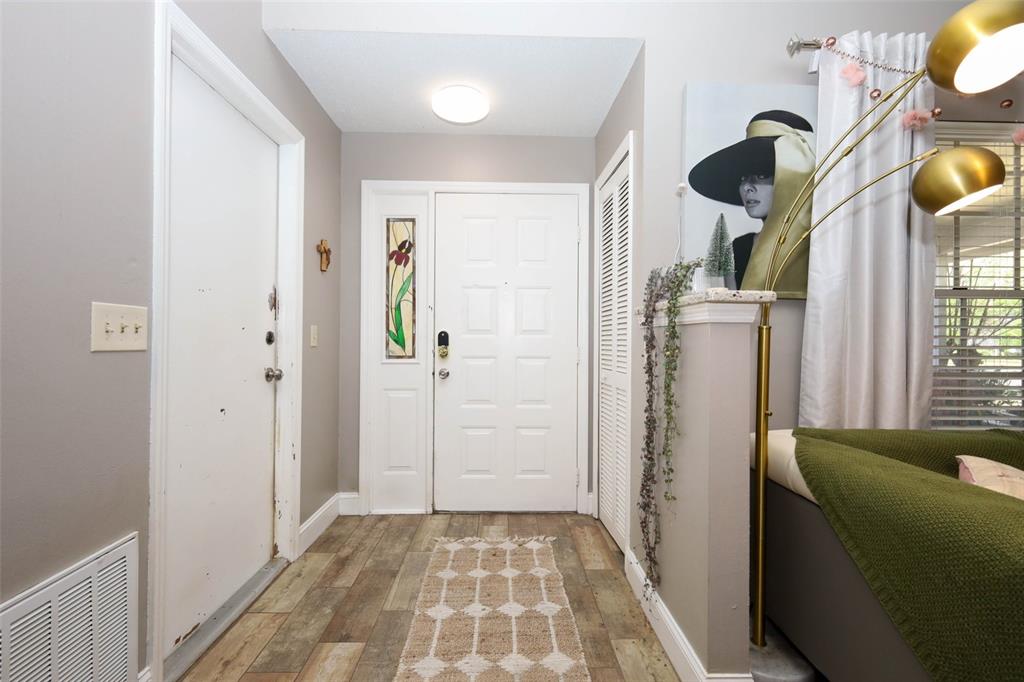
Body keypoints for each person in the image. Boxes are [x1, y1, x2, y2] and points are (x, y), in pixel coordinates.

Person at [688, 110, 815, 297]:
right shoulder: (740, 248)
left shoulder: (818, 244)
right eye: (742, 178)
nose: (747, 187)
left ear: (791, 178)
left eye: (762, 176)